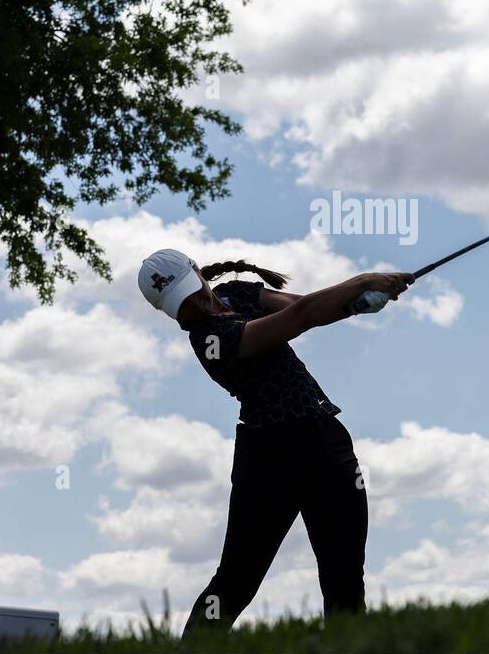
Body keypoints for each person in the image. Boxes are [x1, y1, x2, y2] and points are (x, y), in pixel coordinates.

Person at [136, 248, 413, 633]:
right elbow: (300, 318)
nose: (194, 304)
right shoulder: (210, 340)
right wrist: (363, 281)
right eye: (180, 304)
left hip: (326, 441)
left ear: (197, 273)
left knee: (345, 574)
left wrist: (356, 304)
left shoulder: (238, 293)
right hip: (268, 458)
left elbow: (305, 305)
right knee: (236, 581)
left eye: (191, 290)